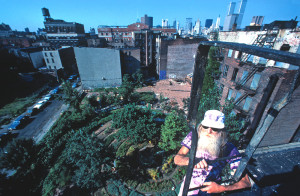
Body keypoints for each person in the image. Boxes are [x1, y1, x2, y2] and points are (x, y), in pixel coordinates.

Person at [174, 110, 252, 195]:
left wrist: (222, 188)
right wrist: (191, 161)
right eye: (205, 126)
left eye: (214, 128)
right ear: (201, 126)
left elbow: (246, 182)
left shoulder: (229, 149)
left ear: (221, 131)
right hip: (188, 187)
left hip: (210, 191)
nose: (208, 131)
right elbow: (177, 158)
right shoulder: (194, 136)